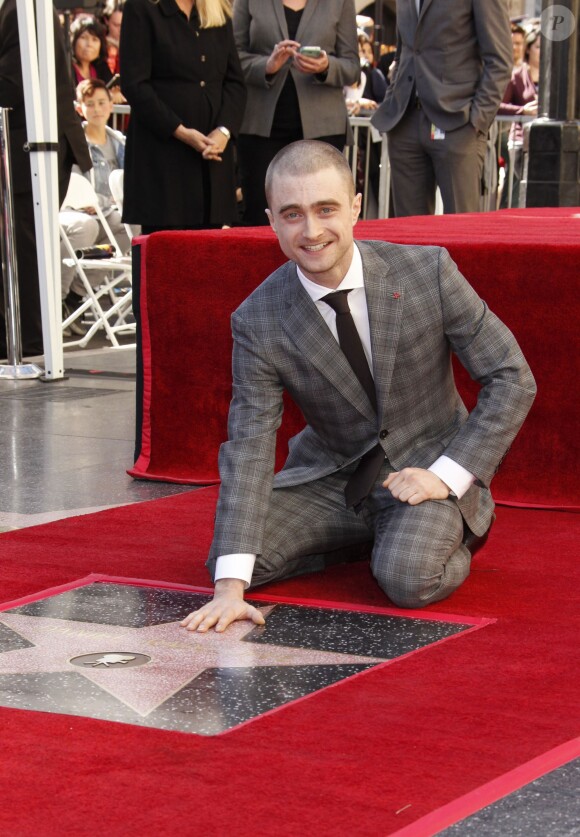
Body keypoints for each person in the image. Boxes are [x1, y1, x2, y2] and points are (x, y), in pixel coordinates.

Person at [180, 140, 536, 634]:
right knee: (232, 559)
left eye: (326, 209)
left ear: (354, 207)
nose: (311, 230)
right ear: (271, 221)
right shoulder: (258, 318)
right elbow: (249, 443)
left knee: (409, 578)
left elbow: (511, 375)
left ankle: (453, 528)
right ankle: (366, 537)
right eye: (292, 214)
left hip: (429, 467)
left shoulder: (427, 272)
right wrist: (229, 590)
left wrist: (450, 475)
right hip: (334, 478)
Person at [0, 0, 91, 359]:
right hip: (39, 143)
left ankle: (29, 342)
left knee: (25, 248)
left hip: (33, 146)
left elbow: (12, 82)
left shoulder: (20, 8)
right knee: (27, 245)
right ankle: (28, 339)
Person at [370, 0, 513, 216]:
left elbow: (499, 62)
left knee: (461, 232)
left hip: (459, 122)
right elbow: (405, 51)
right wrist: (393, 97)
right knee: (410, 237)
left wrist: (477, 121)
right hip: (405, 122)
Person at [119, 0, 246, 232]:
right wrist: (179, 130)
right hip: (163, 163)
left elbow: (235, 82)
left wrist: (224, 132)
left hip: (212, 161)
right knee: (166, 258)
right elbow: (134, 83)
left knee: (208, 255)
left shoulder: (218, 10)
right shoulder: (141, 7)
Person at [233, 0, 360, 226]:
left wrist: (326, 66)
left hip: (323, 127)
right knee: (259, 215)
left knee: (321, 215)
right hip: (260, 127)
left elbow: (351, 67)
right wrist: (267, 65)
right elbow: (232, 58)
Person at [60, 79, 130, 331]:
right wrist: (94, 202)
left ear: (111, 105)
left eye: (102, 103)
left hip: (110, 211)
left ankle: (76, 295)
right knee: (86, 226)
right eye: (90, 104)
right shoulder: (75, 141)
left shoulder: (120, 141)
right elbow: (73, 183)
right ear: (80, 108)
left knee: (127, 226)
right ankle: (59, 298)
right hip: (78, 209)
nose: (97, 109)